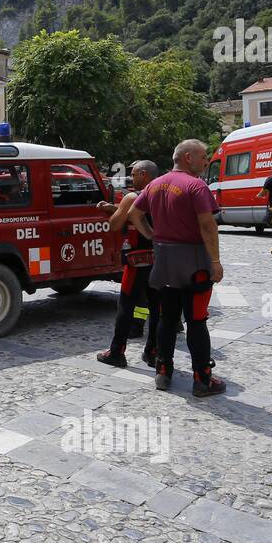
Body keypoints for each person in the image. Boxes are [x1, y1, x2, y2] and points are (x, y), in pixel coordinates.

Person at [129, 139, 226, 397]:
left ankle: (163, 370)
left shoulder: (154, 184)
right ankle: (202, 378)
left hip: (164, 262)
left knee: (166, 318)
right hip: (194, 263)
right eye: (203, 156)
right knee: (196, 321)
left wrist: (152, 235)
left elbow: (134, 215)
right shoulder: (196, 186)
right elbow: (207, 225)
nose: (206, 161)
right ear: (188, 158)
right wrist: (215, 261)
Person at [96, 160, 160, 369]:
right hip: (159, 259)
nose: (132, 178)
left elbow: (115, 224)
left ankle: (117, 352)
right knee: (156, 307)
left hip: (137, 260)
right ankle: (153, 352)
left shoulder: (132, 196)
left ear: (144, 174)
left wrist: (115, 210)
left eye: (134, 174)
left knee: (125, 305)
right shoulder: (163, 195)